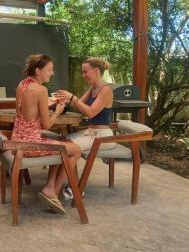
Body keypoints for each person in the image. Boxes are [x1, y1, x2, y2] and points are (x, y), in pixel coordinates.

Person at [12, 54, 81, 214]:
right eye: (49, 69)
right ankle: (53, 191)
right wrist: (57, 110)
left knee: (61, 145)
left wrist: (45, 105)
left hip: (17, 140)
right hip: (30, 145)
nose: (52, 73)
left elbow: (24, 112)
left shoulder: (22, 85)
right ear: (38, 71)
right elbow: (47, 124)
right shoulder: (41, 90)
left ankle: (50, 187)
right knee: (75, 150)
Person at [55, 57, 115, 199]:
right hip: (91, 133)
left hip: (102, 136)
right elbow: (79, 105)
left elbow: (90, 112)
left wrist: (72, 98)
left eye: (85, 72)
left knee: (66, 147)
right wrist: (64, 100)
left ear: (96, 71)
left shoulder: (106, 90)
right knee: (63, 140)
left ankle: (67, 189)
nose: (83, 76)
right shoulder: (93, 88)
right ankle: (74, 186)